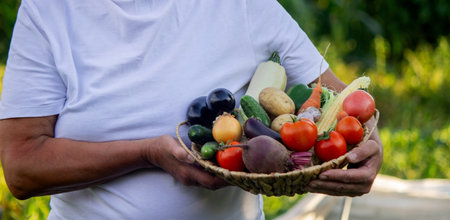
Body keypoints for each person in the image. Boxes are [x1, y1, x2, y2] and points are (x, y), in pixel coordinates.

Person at [0, 0, 383, 219]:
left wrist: (371, 145)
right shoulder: (49, 11)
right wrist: (146, 153)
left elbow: (341, 98)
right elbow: (22, 167)